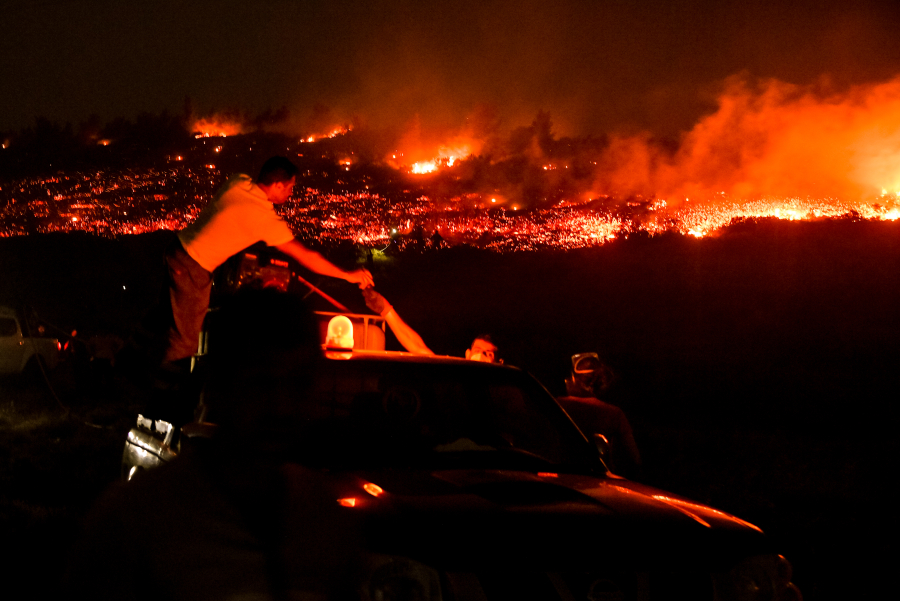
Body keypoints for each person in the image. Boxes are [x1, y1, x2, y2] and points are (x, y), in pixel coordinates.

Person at [66, 289, 364, 600]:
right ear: (219, 385)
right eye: (261, 383)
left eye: (298, 383)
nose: (282, 406)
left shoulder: (322, 520)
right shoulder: (138, 522)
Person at [162, 156, 373, 367]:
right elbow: (308, 257)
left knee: (160, 321)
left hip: (176, 249)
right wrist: (347, 275)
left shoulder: (238, 181)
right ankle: (169, 391)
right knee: (185, 341)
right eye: (290, 187)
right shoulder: (264, 218)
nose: (291, 193)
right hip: (193, 266)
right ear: (278, 185)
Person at [556, 352, 642, 479]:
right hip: (599, 481)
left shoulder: (554, 404)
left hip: (558, 478)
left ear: (573, 379)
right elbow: (633, 460)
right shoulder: (614, 413)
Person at [362, 287, 500, 362]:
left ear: (500, 362)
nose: (481, 355)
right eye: (477, 351)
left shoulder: (505, 391)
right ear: (467, 354)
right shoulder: (453, 377)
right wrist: (385, 310)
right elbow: (417, 347)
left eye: (488, 354)